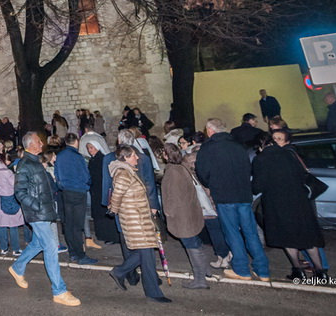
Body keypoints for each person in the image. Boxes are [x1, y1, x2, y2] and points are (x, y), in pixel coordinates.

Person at [7, 132, 81, 307]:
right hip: (37, 213)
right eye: (39, 142)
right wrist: (38, 206)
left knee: (39, 244)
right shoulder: (25, 164)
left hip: (43, 212)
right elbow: (19, 192)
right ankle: (59, 291)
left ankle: (17, 268)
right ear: (31, 144)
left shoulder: (34, 161)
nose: (42, 144)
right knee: (50, 248)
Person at [195, 118, 270, 281]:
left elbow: (202, 172)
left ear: (210, 131)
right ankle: (262, 269)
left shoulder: (208, 148)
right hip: (243, 195)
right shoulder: (238, 146)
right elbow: (247, 168)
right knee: (250, 232)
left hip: (224, 195)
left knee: (232, 232)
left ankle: (242, 269)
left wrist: (212, 184)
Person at [252, 129, 326, 279]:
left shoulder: (261, 159)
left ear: (260, 146)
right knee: (307, 236)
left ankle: (298, 270)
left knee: (287, 236)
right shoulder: (289, 154)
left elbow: (258, 187)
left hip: (278, 203)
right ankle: (320, 271)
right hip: (300, 201)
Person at [107, 145, 170, 303]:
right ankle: (153, 292)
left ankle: (120, 271)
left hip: (139, 218)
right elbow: (117, 195)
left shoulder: (128, 172)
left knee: (145, 253)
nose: (137, 158)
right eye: (134, 155)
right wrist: (113, 210)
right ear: (126, 157)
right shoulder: (123, 174)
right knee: (147, 254)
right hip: (135, 221)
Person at [161, 143, 211, 289]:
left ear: (165, 155)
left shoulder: (173, 172)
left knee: (191, 245)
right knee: (195, 242)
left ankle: (200, 279)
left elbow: (174, 197)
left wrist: (168, 211)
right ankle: (205, 269)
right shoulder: (182, 168)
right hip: (189, 213)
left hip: (183, 217)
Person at [55, 133, 97, 264]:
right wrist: (86, 185)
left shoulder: (60, 156)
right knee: (77, 225)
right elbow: (86, 175)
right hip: (78, 192)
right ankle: (80, 255)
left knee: (69, 224)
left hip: (66, 191)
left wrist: (62, 185)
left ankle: (73, 252)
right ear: (76, 142)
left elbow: (57, 174)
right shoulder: (78, 157)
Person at [0, 151, 25, 255]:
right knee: (13, 225)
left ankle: (3, 248)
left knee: (1, 225)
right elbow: (15, 185)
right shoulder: (7, 172)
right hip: (10, 199)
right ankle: (15, 249)